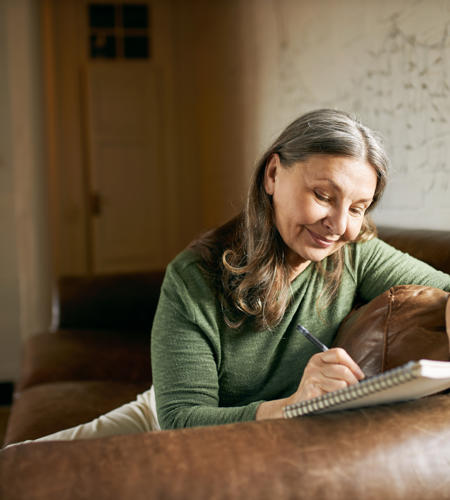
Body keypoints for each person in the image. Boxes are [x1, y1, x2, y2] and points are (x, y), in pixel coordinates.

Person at [6, 109, 450, 445]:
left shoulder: (355, 254)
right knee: (22, 467)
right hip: (167, 416)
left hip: (262, 435)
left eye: (357, 208)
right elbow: (180, 417)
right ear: (273, 174)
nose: (338, 224)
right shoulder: (194, 275)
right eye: (323, 195)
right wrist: (293, 407)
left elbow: (445, 289)